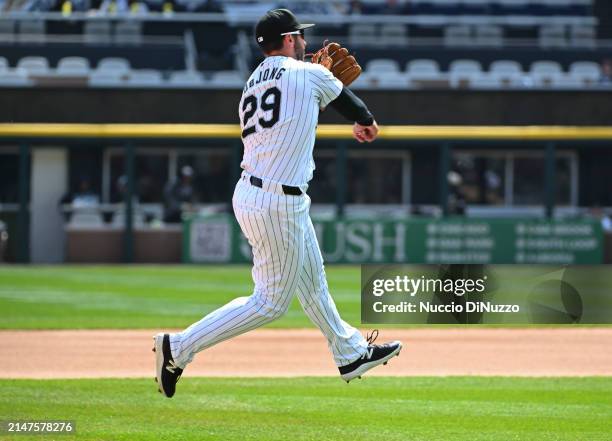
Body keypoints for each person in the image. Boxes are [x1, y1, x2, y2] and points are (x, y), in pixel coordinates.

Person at [154, 8, 402, 398]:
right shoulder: (310, 75)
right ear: (288, 40)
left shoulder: (252, 82)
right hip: (276, 200)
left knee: (313, 282)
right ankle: (178, 347)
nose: (304, 41)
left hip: (259, 192)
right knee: (269, 303)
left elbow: (291, 120)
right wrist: (364, 120)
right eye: (299, 36)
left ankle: (350, 352)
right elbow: (360, 113)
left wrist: (320, 83)